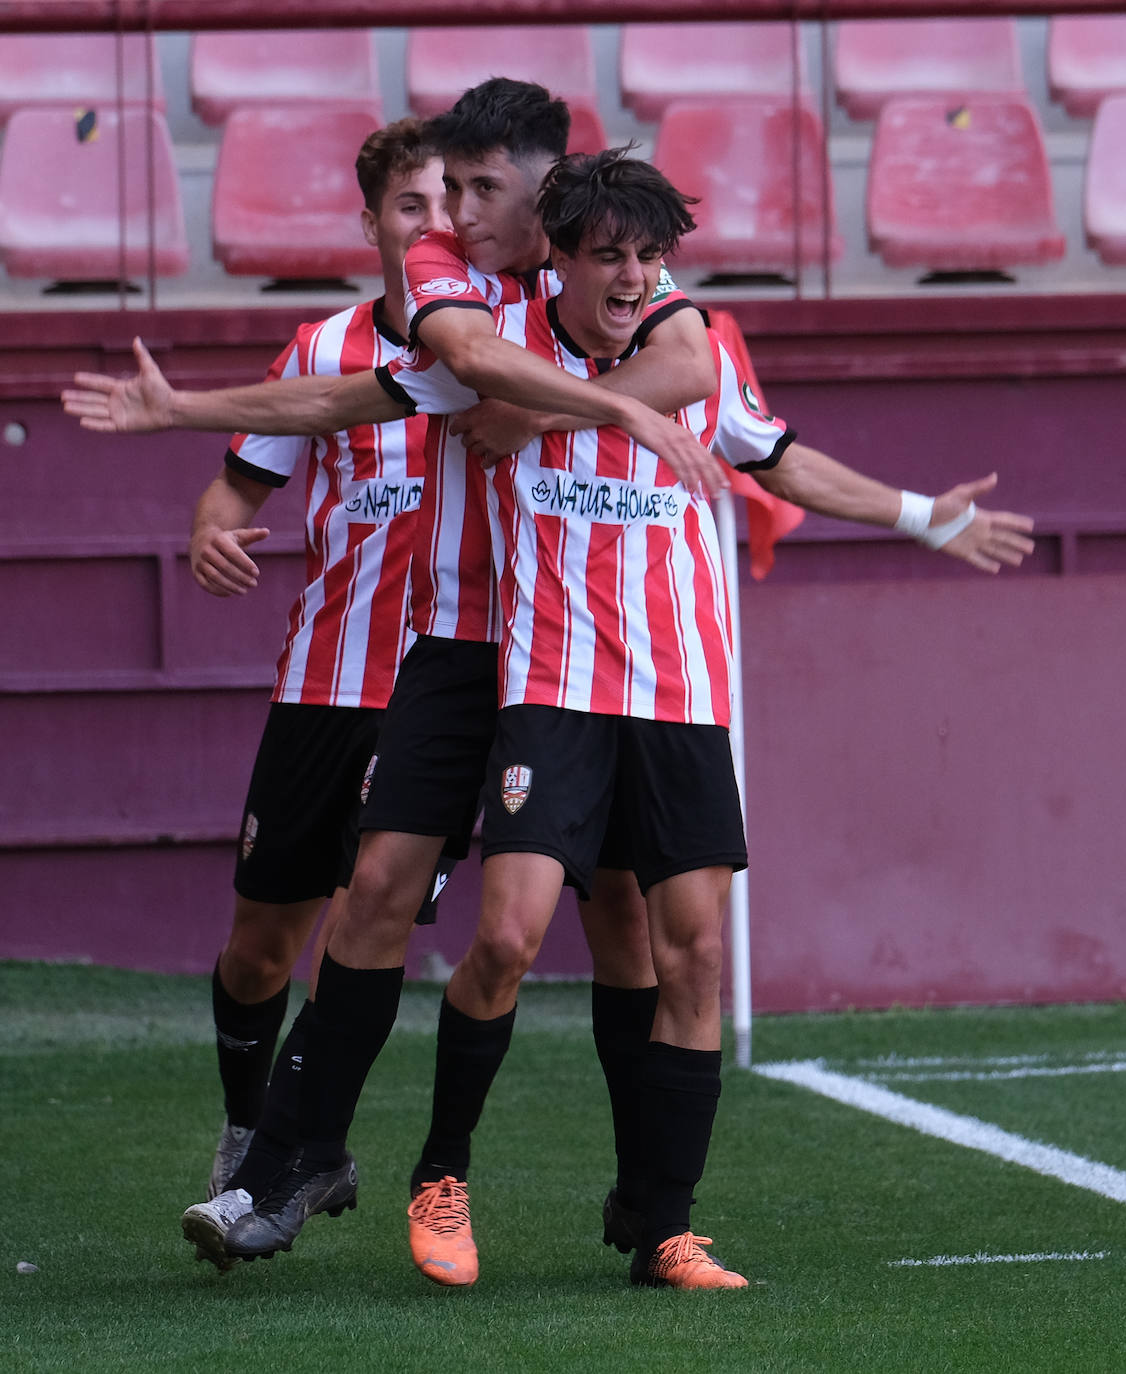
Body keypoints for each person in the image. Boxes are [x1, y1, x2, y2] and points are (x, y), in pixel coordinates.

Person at [346, 148, 1035, 1292]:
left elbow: (785, 461)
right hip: (551, 685)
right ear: (557, 257)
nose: (631, 276)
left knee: (695, 955)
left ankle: (661, 1223)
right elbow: (370, 391)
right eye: (608, 255)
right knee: (508, 938)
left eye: (650, 257)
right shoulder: (501, 354)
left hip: (681, 695)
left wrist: (922, 517)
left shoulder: (690, 353)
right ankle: (441, 1173)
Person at [65, 82, 720, 1269]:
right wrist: (186, 417)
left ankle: (649, 1209)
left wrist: (548, 423)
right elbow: (397, 379)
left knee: (623, 916)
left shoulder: (611, 260)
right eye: (440, 189)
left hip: (582, 645)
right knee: (373, 888)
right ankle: (287, 1166)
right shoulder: (443, 270)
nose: (452, 211)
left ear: (543, 190)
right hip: (463, 644)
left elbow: (685, 359)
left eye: (479, 190)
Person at [177, 118, 451, 1268]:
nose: (431, 228)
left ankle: (296, 1157)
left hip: (437, 695)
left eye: (450, 207)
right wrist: (210, 533)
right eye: (408, 208)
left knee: (363, 927)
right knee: (258, 949)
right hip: (318, 687)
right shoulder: (321, 348)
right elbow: (231, 492)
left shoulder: (500, 350)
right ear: (370, 223)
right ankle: (253, 1129)